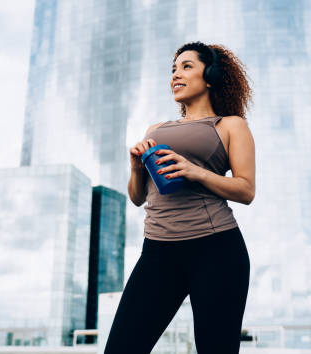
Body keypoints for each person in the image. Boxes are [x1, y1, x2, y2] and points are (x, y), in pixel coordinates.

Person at [103, 41, 255, 354]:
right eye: (173, 69)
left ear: (209, 76)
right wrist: (135, 168)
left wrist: (194, 171)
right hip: (158, 252)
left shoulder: (229, 125)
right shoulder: (156, 128)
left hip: (216, 249)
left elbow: (246, 189)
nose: (176, 74)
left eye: (187, 67)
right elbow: (137, 198)